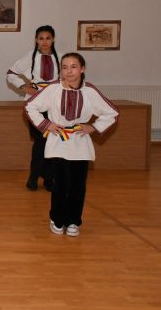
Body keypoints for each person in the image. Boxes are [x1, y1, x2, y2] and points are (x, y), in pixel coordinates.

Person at [25, 53, 118, 237]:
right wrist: (46, 124)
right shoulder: (53, 89)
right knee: (60, 183)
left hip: (80, 142)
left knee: (77, 185)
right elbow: (30, 106)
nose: (69, 71)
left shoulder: (90, 91)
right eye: (65, 67)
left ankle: (74, 220)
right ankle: (57, 219)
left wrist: (94, 127)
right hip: (58, 140)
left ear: (82, 69)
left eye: (74, 67)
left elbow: (112, 113)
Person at [7, 25, 62, 191]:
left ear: (53, 39)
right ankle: (37, 176)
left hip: (54, 104)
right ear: (36, 40)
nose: (44, 42)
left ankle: (45, 178)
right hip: (34, 105)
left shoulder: (61, 57)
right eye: (41, 38)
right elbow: (10, 74)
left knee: (52, 141)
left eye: (48, 38)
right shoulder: (30, 57)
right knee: (40, 141)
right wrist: (25, 87)